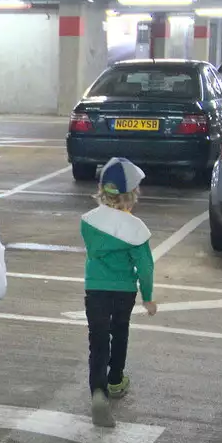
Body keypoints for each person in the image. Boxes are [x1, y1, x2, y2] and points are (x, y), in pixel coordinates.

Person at [81, 157, 157, 428]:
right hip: (124, 291)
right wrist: (147, 296)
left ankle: (98, 392)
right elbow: (145, 268)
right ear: (132, 195)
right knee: (119, 332)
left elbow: (94, 250)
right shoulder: (135, 228)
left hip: (95, 288)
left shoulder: (88, 221)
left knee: (98, 341)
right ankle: (115, 381)